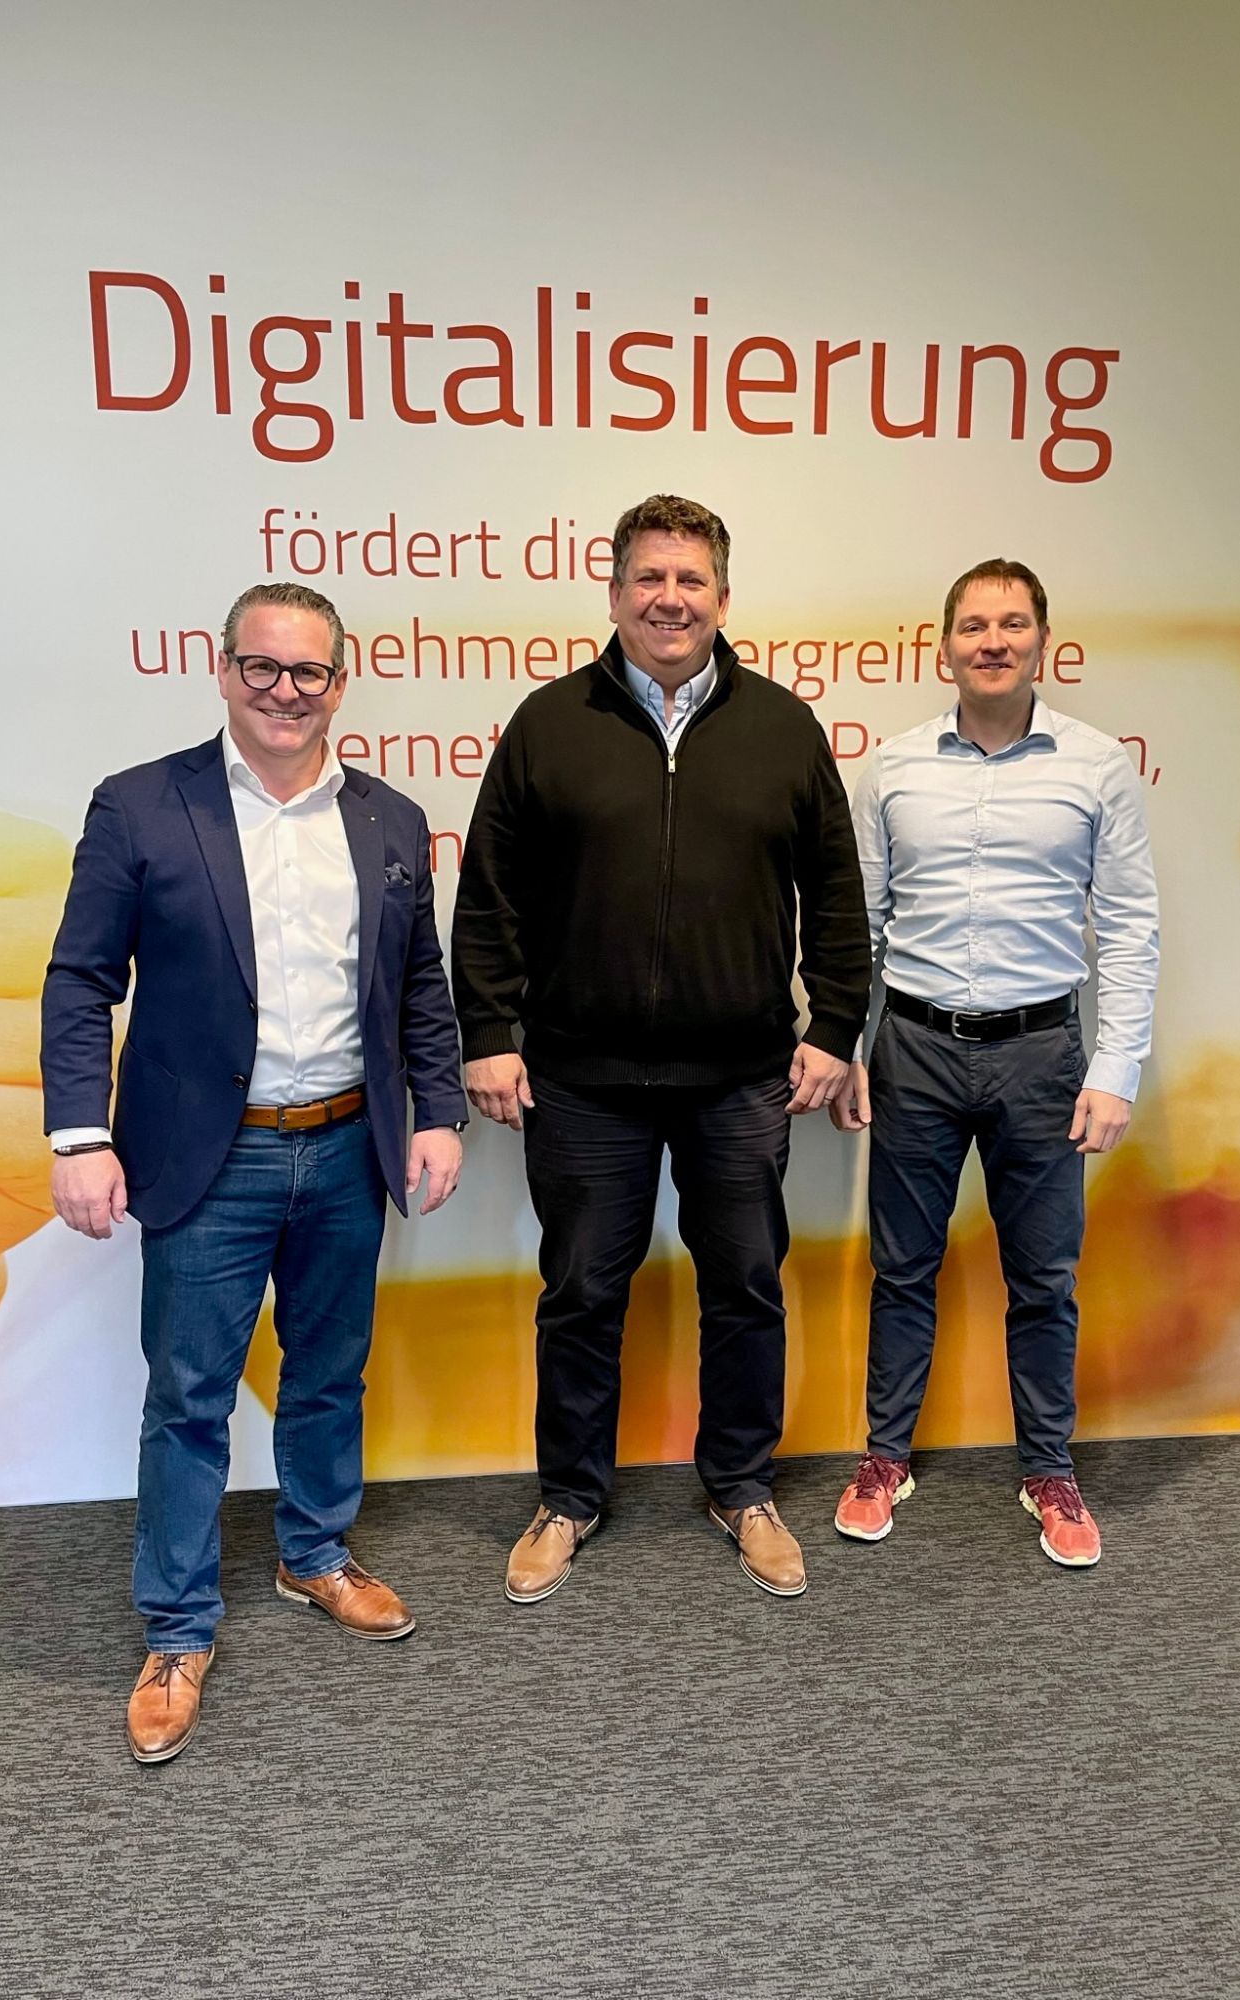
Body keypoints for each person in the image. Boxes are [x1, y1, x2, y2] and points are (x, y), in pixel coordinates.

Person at [41, 581, 466, 1762]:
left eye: (309, 671)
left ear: (342, 681)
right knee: (189, 1396)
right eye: (263, 667)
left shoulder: (390, 819)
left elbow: (418, 987)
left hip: (347, 1147)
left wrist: (438, 1114)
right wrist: (78, 1133)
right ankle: (177, 1627)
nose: (286, 690)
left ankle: (314, 1551)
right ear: (223, 669)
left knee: (329, 1372)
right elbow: (81, 979)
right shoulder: (140, 804)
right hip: (206, 1158)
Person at [452, 494, 869, 1603]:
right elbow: (489, 895)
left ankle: (743, 1486)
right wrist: (487, 1032)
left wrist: (835, 1025)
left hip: (741, 1077)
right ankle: (568, 1496)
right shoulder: (549, 723)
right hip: (582, 1079)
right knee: (581, 1292)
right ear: (614, 593)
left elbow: (836, 894)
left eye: (690, 580)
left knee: (746, 1287)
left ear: (723, 599)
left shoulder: (784, 728)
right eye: (648, 577)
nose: (669, 598)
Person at [830, 558, 1158, 1568]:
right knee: (902, 1268)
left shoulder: (1097, 766)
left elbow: (1131, 926)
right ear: (944, 645)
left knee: (1045, 1278)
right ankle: (885, 1456)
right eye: (974, 625)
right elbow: (862, 926)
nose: (993, 641)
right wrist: (850, 1047)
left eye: (1013, 623)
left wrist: (1116, 1068)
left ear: (1042, 641)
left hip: (1043, 1056)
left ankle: (1049, 1468)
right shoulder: (892, 768)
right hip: (915, 1050)